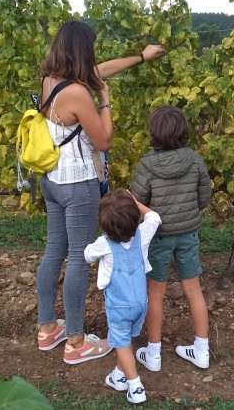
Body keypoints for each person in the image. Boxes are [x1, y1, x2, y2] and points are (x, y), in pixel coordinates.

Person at [36, 20, 166, 365]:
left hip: (51, 180)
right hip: (78, 185)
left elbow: (100, 70)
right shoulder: (80, 93)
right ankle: (76, 341)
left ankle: (48, 329)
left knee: (54, 252)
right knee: (79, 256)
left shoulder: (52, 81)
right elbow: (104, 139)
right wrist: (105, 100)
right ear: (82, 50)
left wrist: (141, 57)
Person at [130, 106, 212, 371]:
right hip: (188, 234)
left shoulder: (147, 164)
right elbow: (204, 199)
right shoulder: (195, 160)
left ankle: (153, 355)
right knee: (194, 290)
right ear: (183, 131)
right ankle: (201, 350)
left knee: (156, 293)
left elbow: (137, 202)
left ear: (154, 133)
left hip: (158, 237)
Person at [84, 189, 161, 404]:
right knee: (125, 341)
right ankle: (118, 376)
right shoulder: (142, 236)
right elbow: (155, 217)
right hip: (140, 304)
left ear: (104, 224)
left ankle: (135, 387)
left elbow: (86, 254)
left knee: (120, 342)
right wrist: (137, 204)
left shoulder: (104, 244)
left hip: (118, 307)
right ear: (136, 218)